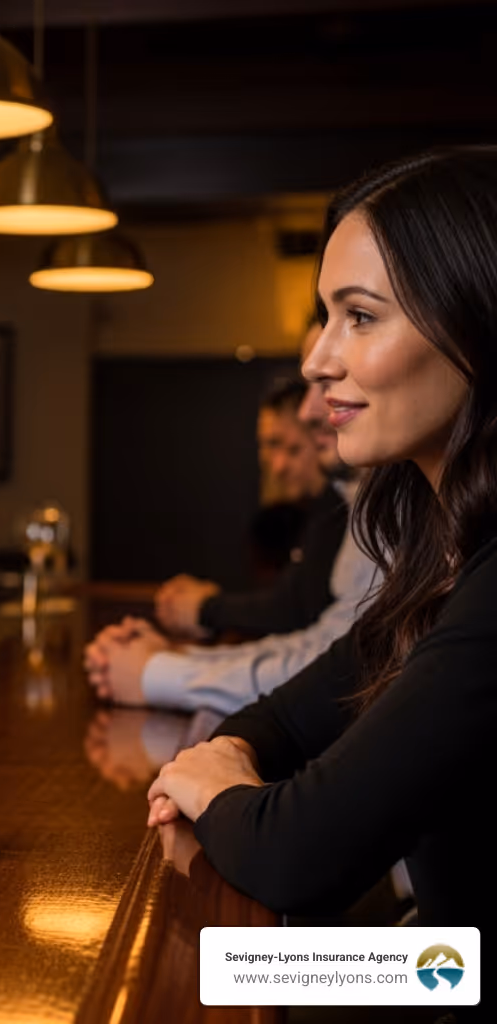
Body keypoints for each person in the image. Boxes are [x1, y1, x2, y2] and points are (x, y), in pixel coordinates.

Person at [147, 148, 497, 942]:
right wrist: (224, 761)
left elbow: (300, 856)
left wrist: (221, 787)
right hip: (436, 967)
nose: (316, 360)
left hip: (440, 980)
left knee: (207, 974)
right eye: (324, 315)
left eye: (360, 316)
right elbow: (294, 716)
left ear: (477, 327)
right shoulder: (437, 558)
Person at [84, 329, 378, 714]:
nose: (309, 413)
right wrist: (174, 658)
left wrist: (160, 671)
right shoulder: (358, 501)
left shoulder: (364, 505)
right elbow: (323, 645)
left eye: (326, 382)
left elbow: (340, 668)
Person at [154, 372, 345, 640]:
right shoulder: (289, 517)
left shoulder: (338, 507)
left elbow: (293, 611)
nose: (277, 466)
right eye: (269, 445)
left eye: (292, 449)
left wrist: (206, 607)